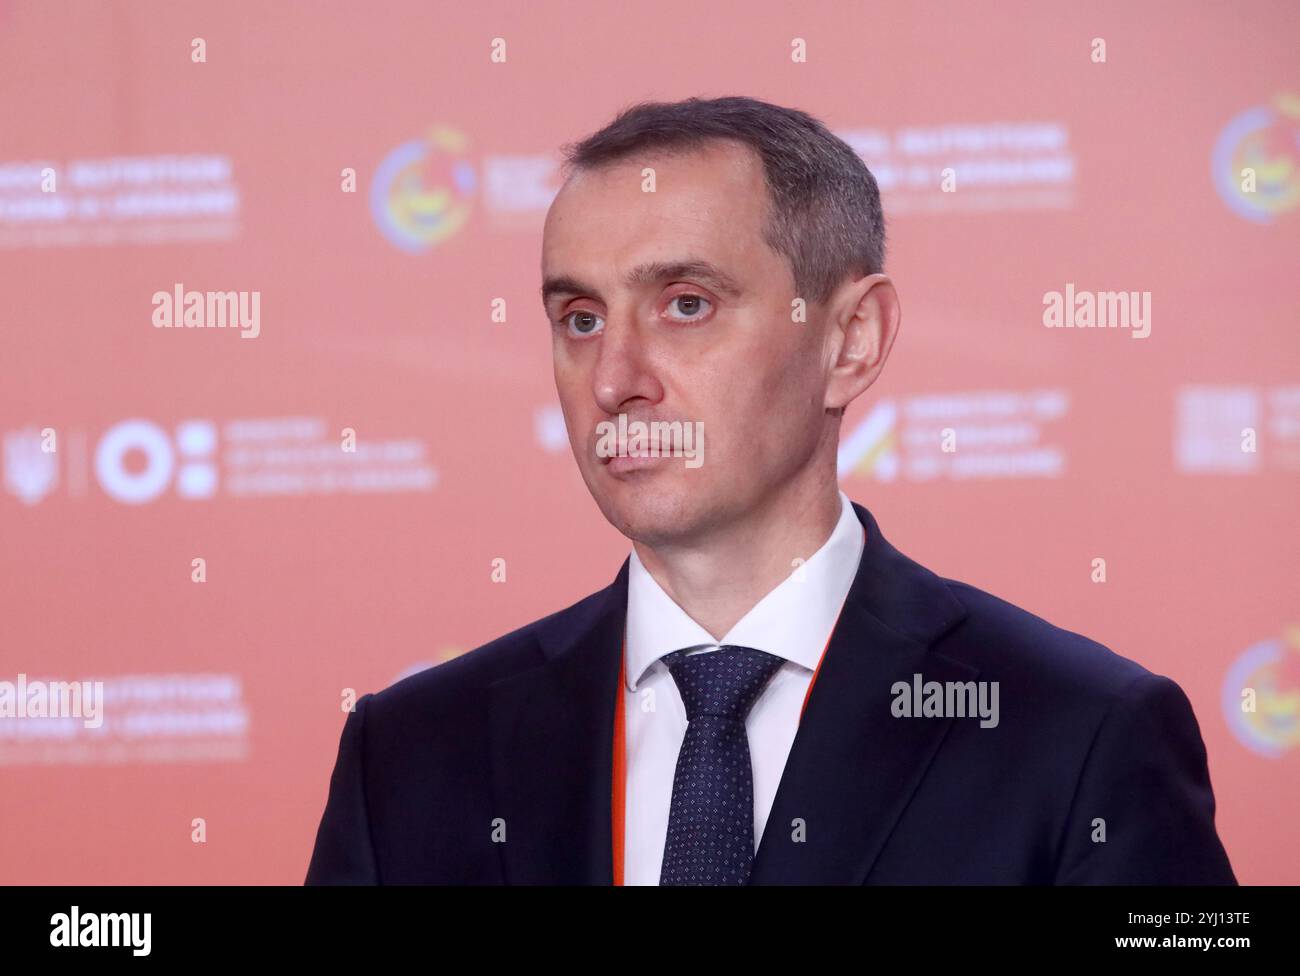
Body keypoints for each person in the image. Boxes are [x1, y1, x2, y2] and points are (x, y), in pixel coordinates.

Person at [305, 95, 1235, 885]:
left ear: (851, 340)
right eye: (580, 318)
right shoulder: (411, 755)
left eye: (686, 304)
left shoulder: (1080, 733)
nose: (613, 377)